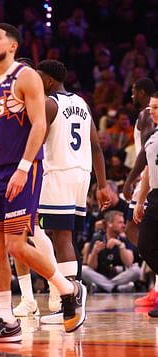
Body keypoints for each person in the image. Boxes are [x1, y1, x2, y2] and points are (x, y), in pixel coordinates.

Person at [0, 24, 87, 344]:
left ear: (12, 45)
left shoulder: (25, 76)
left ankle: (68, 289)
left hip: (24, 168)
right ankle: (7, 320)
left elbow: (39, 124)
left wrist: (23, 167)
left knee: (16, 245)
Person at [13, 59, 110, 324]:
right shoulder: (81, 103)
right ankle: (68, 296)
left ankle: (70, 298)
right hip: (81, 175)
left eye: (38, 77)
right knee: (60, 236)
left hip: (57, 173)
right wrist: (102, 185)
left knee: (52, 235)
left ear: (49, 81)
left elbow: (33, 140)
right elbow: (97, 147)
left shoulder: (49, 104)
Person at [122, 78, 157, 307]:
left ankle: (155, 286)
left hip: (149, 175)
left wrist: (130, 180)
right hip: (150, 179)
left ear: (142, 92)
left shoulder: (145, 115)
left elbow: (146, 154)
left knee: (133, 227)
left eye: (134, 92)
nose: (132, 96)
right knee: (140, 233)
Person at [131, 91, 158, 317]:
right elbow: (148, 170)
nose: (152, 111)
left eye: (156, 107)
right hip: (155, 197)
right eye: (150, 107)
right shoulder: (151, 136)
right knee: (145, 245)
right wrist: (140, 201)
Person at [82, 211, 139, 293]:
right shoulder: (97, 238)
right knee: (84, 270)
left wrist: (120, 245)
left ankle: (103, 287)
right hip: (101, 275)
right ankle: (117, 288)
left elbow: (129, 263)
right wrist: (95, 252)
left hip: (119, 276)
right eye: (120, 222)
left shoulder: (124, 239)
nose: (123, 225)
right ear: (109, 224)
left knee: (136, 270)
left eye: (123, 222)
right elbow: (91, 267)